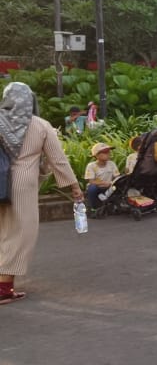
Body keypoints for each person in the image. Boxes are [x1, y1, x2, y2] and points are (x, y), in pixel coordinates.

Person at [0, 82, 83, 305]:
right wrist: (74, 185)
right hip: (22, 186)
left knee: (3, 232)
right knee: (20, 233)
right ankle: (3, 288)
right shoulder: (40, 125)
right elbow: (57, 159)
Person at [84, 142, 120, 210]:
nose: (108, 153)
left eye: (108, 151)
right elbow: (91, 181)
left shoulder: (111, 164)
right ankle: (94, 208)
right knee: (92, 188)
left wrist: (111, 183)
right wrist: (103, 183)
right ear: (97, 155)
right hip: (98, 187)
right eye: (105, 152)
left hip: (110, 187)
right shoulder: (91, 166)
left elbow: (117, 177)